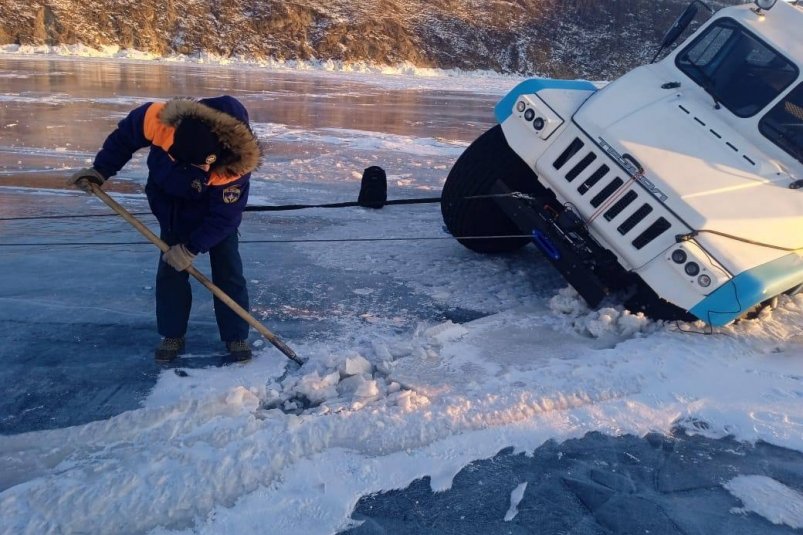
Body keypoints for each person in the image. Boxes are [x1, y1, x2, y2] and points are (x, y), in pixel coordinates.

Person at [69, 96, 261, 362]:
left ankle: (236, 335)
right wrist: (100, 170)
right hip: (170, 204)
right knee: (171, 269)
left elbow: (225, 217)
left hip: (212, 216)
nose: (201, 169)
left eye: (203, 165)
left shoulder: (235, 165)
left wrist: (192, 248)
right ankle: (172, 334)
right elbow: (125, 137)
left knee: (228, 269)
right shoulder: (160, 120)